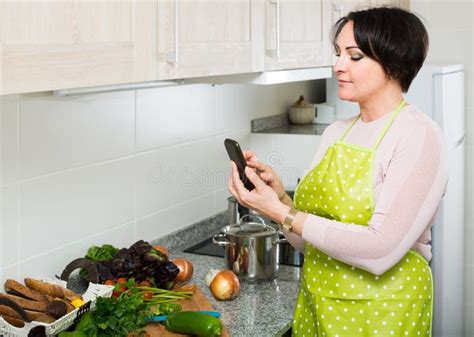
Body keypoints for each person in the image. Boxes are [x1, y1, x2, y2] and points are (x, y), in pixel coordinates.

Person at [228, 6, 448, 337]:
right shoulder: (337, 133)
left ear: (393, 62)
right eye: (337, 53)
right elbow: (314, 242)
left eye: (354, 56)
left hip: (382, 314)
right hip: (319, 308)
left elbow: (381, 250)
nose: (337, 66)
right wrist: (279, 201)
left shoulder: (418, 135)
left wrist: (282, 213)